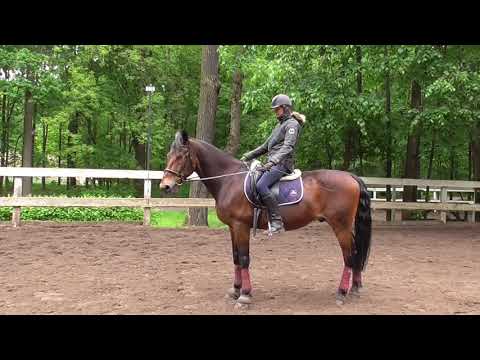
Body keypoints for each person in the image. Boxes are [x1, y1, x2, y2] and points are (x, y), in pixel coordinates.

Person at [240, 94, 306, 234]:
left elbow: (288, 147)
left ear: (285, 108)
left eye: (277, 109)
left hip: (283, 165)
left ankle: (276, 222)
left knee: (261, 185)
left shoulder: (292, 125)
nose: (275, 112)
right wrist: (247, 156)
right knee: (254, 181)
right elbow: (265, 147)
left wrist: (272, 162)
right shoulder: (279, 126)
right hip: (273, 163)